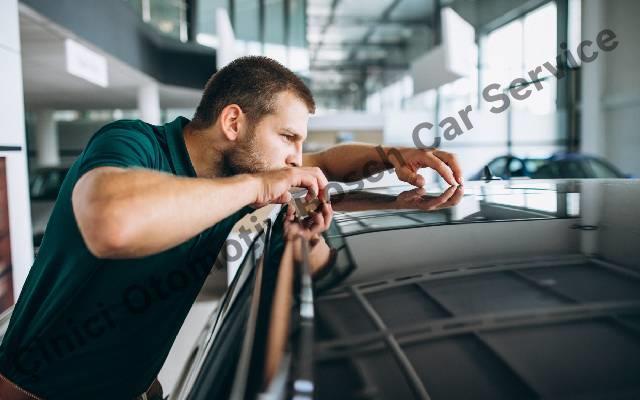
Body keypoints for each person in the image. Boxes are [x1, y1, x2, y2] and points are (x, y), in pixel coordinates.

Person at [0, 56, 462, 399]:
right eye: (288, 137)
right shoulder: (132, 142)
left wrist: (392, 157)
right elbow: (111, 223)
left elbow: (327, 164)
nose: (296, 157)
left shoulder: (232, 175)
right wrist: (258, 186)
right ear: (234, 121)